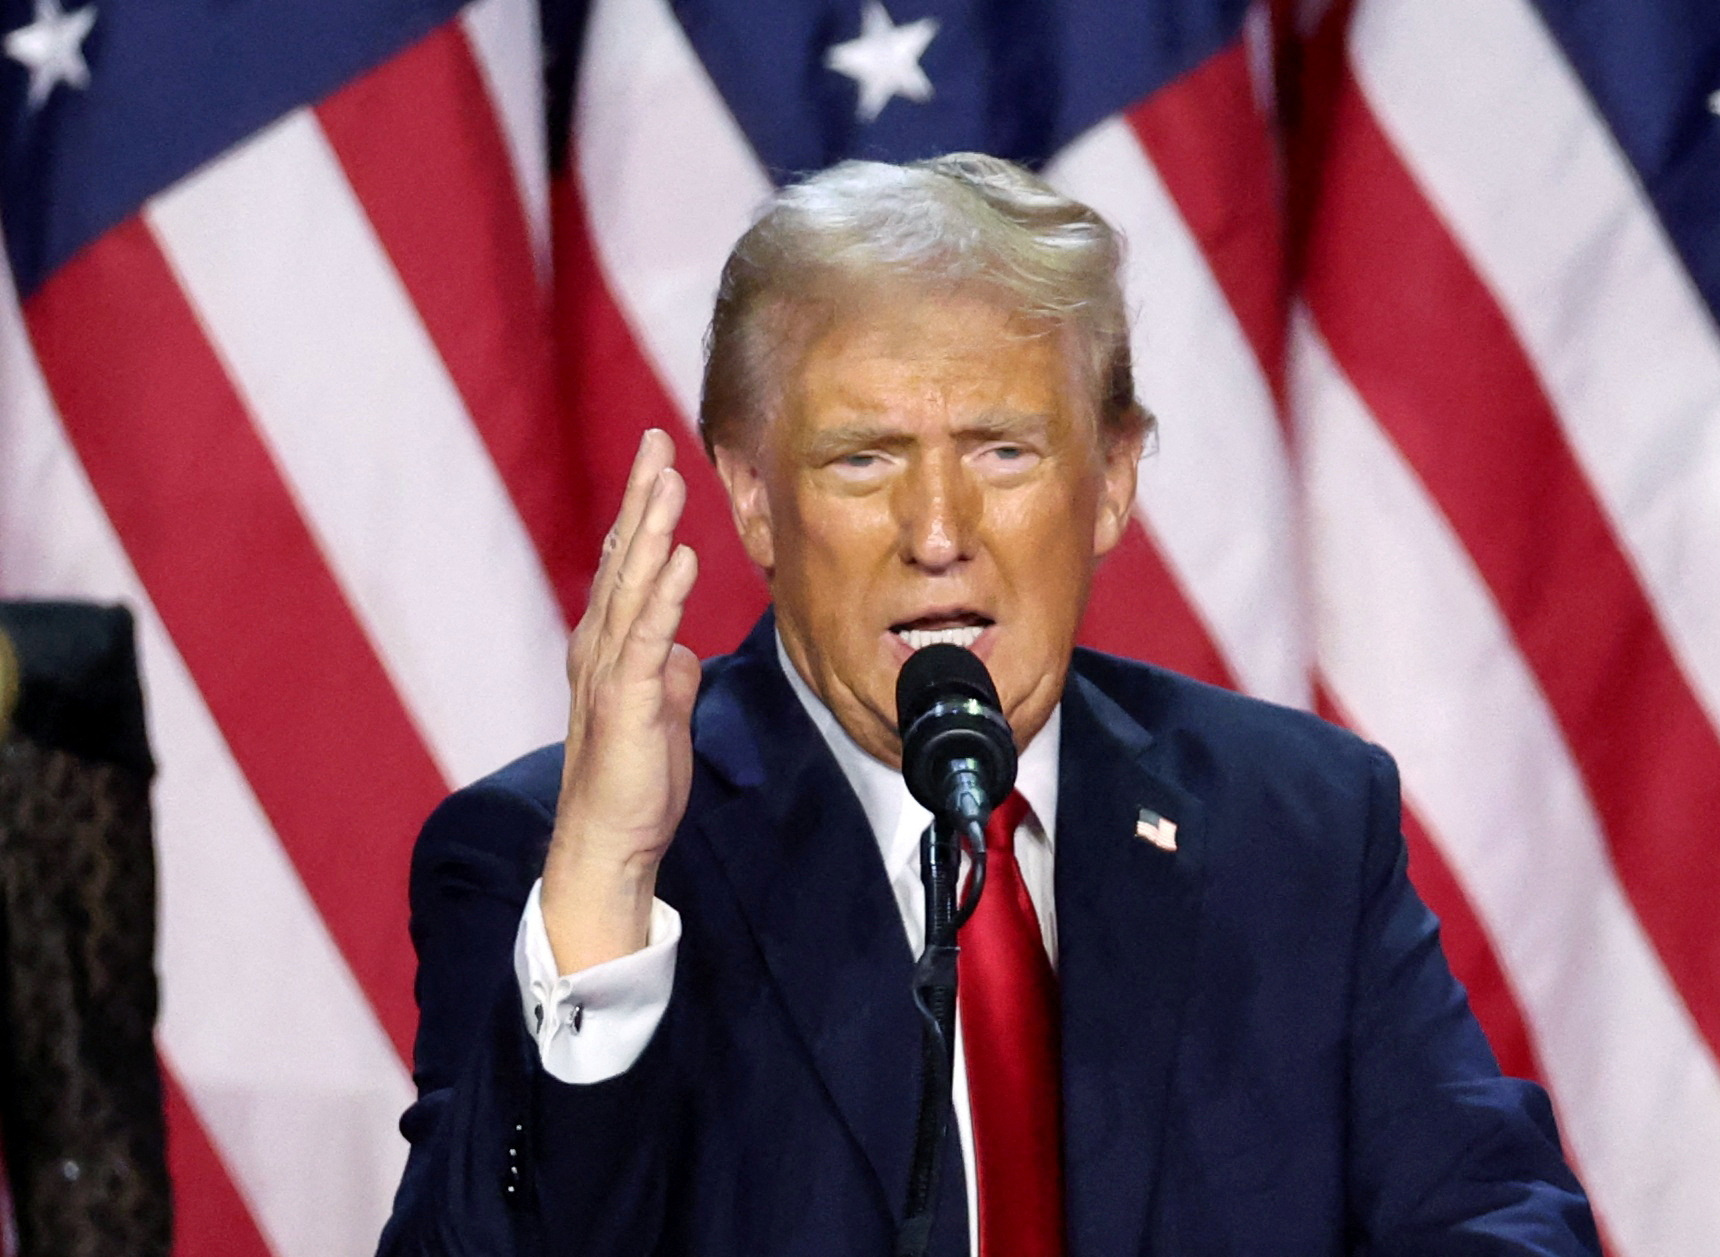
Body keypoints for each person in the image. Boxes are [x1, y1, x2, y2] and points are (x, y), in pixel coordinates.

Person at [377, 154, 1599, 1256]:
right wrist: (602, 881)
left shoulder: (1299, 823)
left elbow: (1498, 1222)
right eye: (863, 458)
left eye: (1003, 450)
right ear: (753, 499)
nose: (939, 534)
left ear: (1112, 479)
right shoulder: (554, 861)